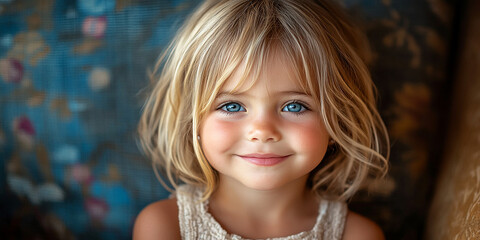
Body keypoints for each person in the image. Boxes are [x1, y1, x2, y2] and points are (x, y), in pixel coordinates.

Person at [133, 0, 390, 239]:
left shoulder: (356, 235)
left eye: (294, 106)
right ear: (194, 120)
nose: (262, 131)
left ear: (338, 119)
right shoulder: (165, 226)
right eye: (232, 106)